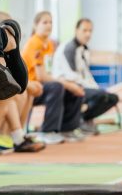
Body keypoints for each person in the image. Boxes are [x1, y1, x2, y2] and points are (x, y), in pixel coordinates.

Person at [22, 11, 85, 144]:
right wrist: (67, 84)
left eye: (51, 22)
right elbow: (41, 76)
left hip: (44, 85)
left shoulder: (49, 44)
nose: (49, 25)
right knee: (58, 87)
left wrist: (70, 84)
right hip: (31, 87)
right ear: (35, 25)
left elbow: (50, 72)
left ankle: (67, 129)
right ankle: (47, 131)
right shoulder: (35, 43)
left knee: (74, 88)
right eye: (45, 22)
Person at [53, 18, 119, 135]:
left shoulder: (85, 49)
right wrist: (93, 89)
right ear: (76, 30)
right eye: (84, 30)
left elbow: (86, 73)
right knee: (99, 95)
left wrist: (95, 87)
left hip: (82, 84)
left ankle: (83, 119)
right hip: (68, 85)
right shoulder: (69, 48)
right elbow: (71, 75)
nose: (88, 34)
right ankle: (79, 121)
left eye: (90, 31)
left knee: (112, 98)